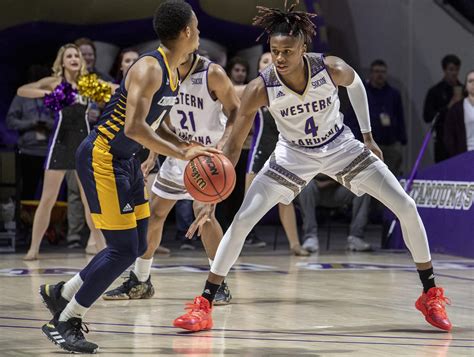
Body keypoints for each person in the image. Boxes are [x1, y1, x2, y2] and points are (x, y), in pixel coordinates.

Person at [173, 3, 452, 333]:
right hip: (292, 155)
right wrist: (213, 196)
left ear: (304, 48)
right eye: (274, 51)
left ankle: (430, 294)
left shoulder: (329, 68)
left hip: (340, 146)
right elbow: (233, 144)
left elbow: (356, 84)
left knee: (405, 206)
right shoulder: (259, 88)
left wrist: (367, 135)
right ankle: (204, 303)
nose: (279, 58)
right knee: (244, 218)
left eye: (287, 51)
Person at [38, 1, 215, 353]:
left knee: (137, 245)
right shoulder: (149, 67)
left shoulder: (176, 69)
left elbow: (156, 117)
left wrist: (183, 142)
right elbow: (134, 127)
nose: (198, 31)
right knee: (121, 249)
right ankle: (66, 320)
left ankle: (63, 292)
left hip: (128, 161)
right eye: (196, 25)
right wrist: (180, 154)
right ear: (186, 32)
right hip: (103, 155)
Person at [102, 51, 239, 304]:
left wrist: (224, 140)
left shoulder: (212, 73)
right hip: (179, 154)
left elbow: (235, 111)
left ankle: (219, 285)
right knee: (154, 214)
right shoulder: (166, 73)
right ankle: (140, 281)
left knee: (205, 216)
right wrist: (154, 155)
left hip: (207, 158)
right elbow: (161, 118)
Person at [17, 44, 106, 261]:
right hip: (60, 144)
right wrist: (50, 93)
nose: (75, 58)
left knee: (90, 201)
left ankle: (102, 247)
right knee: (47, 199)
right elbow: (22, 90)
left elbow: (111, 89)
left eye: (77, 55)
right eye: (70, 56)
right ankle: (34, 249)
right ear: (63, 61)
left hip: (83, 145)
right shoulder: (55, 82)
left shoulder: (88, 84)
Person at [246, 52, 308, 255]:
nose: (269, 62)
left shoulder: (287, 88)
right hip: (259, 151)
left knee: (286, 198)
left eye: (270, 59)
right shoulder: (255, 90)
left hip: (283, 150)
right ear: (257, 69)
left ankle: (294, 244)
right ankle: (241, 239)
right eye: (263, 60)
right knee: (250, 200)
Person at [353, 59, 407, 176]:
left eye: (383, 72)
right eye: (377, 71)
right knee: (370, 177)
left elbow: (399, 116)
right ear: (371, 73)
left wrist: (402, 139)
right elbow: (353, 117)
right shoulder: (363, 92)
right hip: (368, 142)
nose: (380, 75)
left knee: (390, 176)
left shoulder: (394, 93)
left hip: (390, 144)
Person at [299, 175, 371, 252]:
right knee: (304, 185)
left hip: (339, 187)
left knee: (362, 188)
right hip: (315, 189)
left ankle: (356, 237)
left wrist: (331, 182)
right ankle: (310, 237)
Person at [423, 55, 463, 163]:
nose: (454, 73)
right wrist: (448, 107)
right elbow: (427, 116)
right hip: (442, 139)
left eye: (456, 69)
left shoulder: (465, 91)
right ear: (444, 70)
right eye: (451, 69)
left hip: (462, 140)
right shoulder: (435, 91)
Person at [444, 69, 474, 157]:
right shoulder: (456, 109)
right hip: (465, 155)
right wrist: (457, 156)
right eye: (470, 81)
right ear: (465, 86)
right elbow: (449, 136)